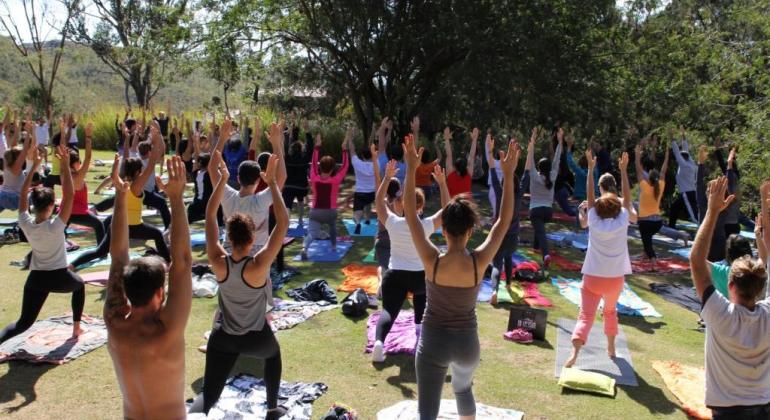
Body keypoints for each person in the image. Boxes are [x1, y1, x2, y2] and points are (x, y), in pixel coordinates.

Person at [403, 134, 519, 419]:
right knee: (463, 390)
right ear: (470, 231)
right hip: (467, 345)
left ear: (443, 230)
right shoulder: (480, 261)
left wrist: (410, 169)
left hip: (433, 343)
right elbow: (503, 221)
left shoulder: (433, 260)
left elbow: (408, 212)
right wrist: (508, 176)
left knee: (427, 410)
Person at [188, 152, 288, 419]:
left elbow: (210, 214)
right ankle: (271, 408)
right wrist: (274, 185)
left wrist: (222, 180)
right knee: (274, 356)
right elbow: (284, 222)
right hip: (256, 338)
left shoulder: (218, 261)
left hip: (222, 339)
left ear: (228, 236)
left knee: (208, 394)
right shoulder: (258, 266)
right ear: (253, 235)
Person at [103, 155, 192, 418]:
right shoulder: (166, 329)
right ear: (160, 293)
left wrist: (121, 195)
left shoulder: (114, 320)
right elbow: (183, 263)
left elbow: (118, 257)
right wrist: (176, 200)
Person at [690, 176, 770, 419]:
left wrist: (712, 212)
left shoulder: (719, 314)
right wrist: (765, 208)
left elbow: (695, 261)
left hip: (728, 411)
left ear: (730, 285)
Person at [0, 143, 85, 342]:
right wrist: (64, 164)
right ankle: (76, 329)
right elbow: (70, 194)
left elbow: (22, 195)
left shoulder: (26, 223)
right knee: (79, 285)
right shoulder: (55, 226)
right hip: (58, 276)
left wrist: (34, 167)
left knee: (22, 323)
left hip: (35, 279)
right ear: (50, 206)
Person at [371, 156, 449, 363]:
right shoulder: (426, 225)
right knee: (421, 297)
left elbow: (378, 202)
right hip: (420, 277)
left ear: (401, 205)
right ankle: (418, 329)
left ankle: (379, 342)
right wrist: (442, 184)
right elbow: (448, 210)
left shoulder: (393, 222)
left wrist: (387, 179)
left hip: (395, 275)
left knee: (388, 311)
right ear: (421, 207)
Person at [565, 151, 637, 367]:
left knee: (585, 316)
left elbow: (589, 197)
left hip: (593, 277)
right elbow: (627, 201)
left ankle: (575, 354)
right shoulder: (623, 219)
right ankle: (611, 349)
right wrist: (624, 171)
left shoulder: (594, 219)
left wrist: (589, 170)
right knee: (610, 312)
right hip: (615, 279)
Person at [69, 123, 170, 270]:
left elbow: (114, 174)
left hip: (115, 226)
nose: (143, 173)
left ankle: (72, 265)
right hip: (134, 227)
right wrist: (155, 141)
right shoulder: (136, 186)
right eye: (140, 171)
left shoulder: (122, 183)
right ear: (137, 173)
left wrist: (116, 164)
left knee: (99, 251)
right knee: (157, 234)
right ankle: (169, 262)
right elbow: (152, 163)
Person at [219, 121, 287, 256]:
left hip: (229, 253)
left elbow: (212, 170)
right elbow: (282, 177)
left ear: (238, 178)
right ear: (258, 179)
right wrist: (277, 144)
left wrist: (222, 139)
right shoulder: (260, 201)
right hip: (256, 255)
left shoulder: (227, 197)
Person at [486, 135, 525, 306]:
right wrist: (521, 155)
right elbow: (527, 174)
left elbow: (492, 170)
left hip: (499, 235)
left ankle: (495, 290)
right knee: (509, 257)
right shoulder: (519, 194)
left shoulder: (499, 191)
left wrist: (490, 151)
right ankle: (508, 284)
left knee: (497, 263)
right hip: (513, 237)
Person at [301, 132, 349, 260]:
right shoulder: (335, 180)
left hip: (315, 211)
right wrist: (344, 150)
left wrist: (317, 147)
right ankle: (333, 247)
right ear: (333, 168)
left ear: (319, 167)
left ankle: (305, 249)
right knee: (332, 226)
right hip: (330, 212)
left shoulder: (314, 177)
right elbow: (345, 166)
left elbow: (313, 162)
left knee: (312, 233)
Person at [525, 126, 562, 269]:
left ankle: (545, 254)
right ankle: (535, 247)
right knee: (538, 226)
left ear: (539, 168)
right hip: (548, 212)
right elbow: (557, 160)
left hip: (535, 210)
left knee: (540, 231)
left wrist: (533, 140)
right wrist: (559, 142)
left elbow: (530, 158)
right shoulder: (552, 176)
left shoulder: (534, 176)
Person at [67, 123, 106, 244]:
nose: (80, 163)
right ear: (74, 164)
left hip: (64, 212)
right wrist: (88, 137)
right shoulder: (78, 176)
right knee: (99, 225)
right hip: (76, 213)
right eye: (79, 161)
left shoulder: (64, 174)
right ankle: (102, 250)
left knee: (56, 233)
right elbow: (88, 157)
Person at [634, 141, 669, 264]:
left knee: (647, 241)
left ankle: (653, 261)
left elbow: (638, 171)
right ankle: (646, 253)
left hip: (645, 222)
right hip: (657, 223)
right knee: (647, 239)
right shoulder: (660, 186)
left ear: (648, 178)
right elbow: (664, 172)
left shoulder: (645, 186)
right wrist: (667, 157)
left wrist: (637, 156)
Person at [282, 121, 312, 227]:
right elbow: (310, 147)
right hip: (301, 186)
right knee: (300, 201)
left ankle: (287, 221)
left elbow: (284, 146)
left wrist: (287, 133)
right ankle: (300, 219)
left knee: (288, 204)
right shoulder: (305, 158)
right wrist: (307, 131)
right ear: (301, 149)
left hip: (289, 185)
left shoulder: (287, 158)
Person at [347, 127, 376, 234]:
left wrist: (350, 138)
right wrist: (373, 134)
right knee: (368, 203)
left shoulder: (357, 163)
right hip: (372, 194)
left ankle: (358, 222)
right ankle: (368, 219)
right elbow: (371, 149)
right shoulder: (376, 164)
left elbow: (352, 150)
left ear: (362, 156)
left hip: (360, 193)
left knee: (357, 211)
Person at [137, 139, 171, 229]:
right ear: (149, 152)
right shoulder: (148, 161)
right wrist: (158, 137)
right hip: (145, 193)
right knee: (162, 203)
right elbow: (162, 150)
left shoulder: (138, 160)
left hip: (143, 191)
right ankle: (169, 228)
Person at [668, 128, 699, 228]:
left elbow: (677, 152)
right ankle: (671, 226)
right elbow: (686, 149)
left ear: (683, 158)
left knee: (693, 215)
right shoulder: (691, 163)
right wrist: (683, 135)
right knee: (674, 207)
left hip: (687, 193)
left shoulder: (684, 166)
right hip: (689, 192)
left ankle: (706, 228)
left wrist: (672, 138)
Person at [0, 124, 33, 212]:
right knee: (36, 195)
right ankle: (26, 222)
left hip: (2, 197)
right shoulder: (16, 168)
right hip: (14, 200)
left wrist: (17, 129)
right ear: (17, 157)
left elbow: (12, 147)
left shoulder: (6, 163)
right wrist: (29, 131)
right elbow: (25, 149)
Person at [444, 126, 478, 198]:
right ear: (465, 166)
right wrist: (474, 140)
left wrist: (447, 139)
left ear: (455, 167)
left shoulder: (450, 173)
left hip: (452, 206)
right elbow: (471, 156)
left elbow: (449, 155)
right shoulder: (468, 174)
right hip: (466, 206)